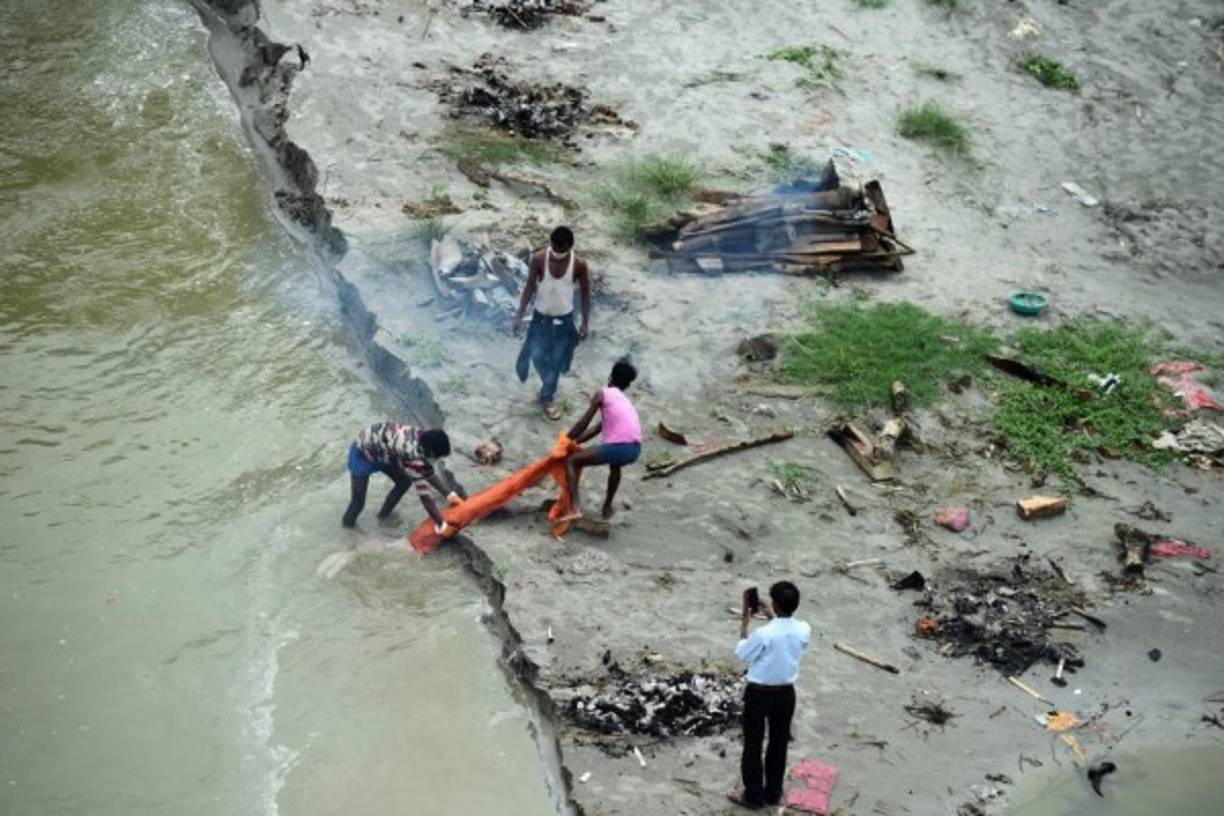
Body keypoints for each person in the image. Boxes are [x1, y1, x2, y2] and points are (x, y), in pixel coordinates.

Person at [729, 581, 811, 810]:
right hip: (785, 693)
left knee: (753, 744)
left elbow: (743, 653)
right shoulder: (804, 629)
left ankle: (753, 796)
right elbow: (785, 634)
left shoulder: (763, 634)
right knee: (779, 743)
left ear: (774, 603)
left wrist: (745, 619)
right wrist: (772, 616)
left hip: (758, 693)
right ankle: (773, 793)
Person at [513, 226, 591, 420]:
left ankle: (547, 396)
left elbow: (585, 295)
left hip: (564, 322)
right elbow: (529, 287)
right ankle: (548, 385)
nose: (556, 251)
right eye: (554, 246)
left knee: (556, 361)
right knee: (536, 356)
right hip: (540, 320)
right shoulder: (539, 259)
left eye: (561, 248)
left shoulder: (579, 264)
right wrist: (519, 315)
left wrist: (585, 323)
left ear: (570, 246)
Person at [559, 358, 641, 521]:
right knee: (615, 466)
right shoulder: (624, 401)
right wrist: (576, 442)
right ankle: (607, 507)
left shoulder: (603, 393)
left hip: (618, 446)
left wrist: (566, 440)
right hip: (634, 449)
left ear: (610, 378)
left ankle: (574, 508)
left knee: (571, 461)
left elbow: (583, 423)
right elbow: (597, 428)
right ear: (627, 386)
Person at [341, 421, 461, 533]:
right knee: (358, 502)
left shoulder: (422, 437)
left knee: (404, 482)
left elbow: (427, 471)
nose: (436, 460)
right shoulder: (411, 453)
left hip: (387, 451)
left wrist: (450, 495)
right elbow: (424, 496)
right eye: (437, 456)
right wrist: (442, 525)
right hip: (362, 453)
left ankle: (383, 516)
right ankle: (347, 529)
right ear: (430, 451)